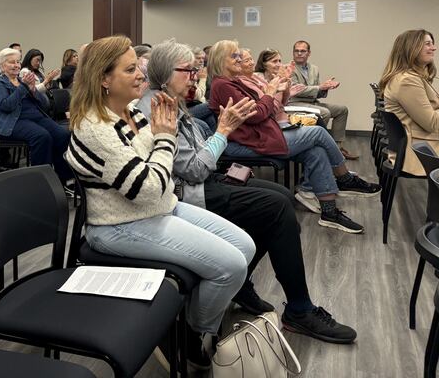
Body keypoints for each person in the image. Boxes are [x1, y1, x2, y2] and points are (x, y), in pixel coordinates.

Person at [137, 39, 356, 343]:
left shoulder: (172, 100)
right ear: (163, 72)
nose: (193, 75)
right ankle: (299, 309)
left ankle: (244, 285)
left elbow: (203, 155)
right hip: (189, 194)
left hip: (204, 180)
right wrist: (223, 131)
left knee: (280, 199)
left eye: (194, 69)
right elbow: (196, 170)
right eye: (186, 70)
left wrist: (220, 136)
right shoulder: (156, 106)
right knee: (276, 208)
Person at [65, 36, 255, 366]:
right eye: (130, 70)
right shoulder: (94, 128)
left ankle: (181, 316)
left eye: (138, 68)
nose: (142, 75)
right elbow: (150, 184)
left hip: (157, 208)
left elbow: (159, 176)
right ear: (104, 79)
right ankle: (190, 332)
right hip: (119, 226)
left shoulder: (131, 114)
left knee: (246, 247)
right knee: (231, 266)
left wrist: (161, 147)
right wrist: (166, 138)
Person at [208, 40, 378, 233]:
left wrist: (273, 91)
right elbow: (259, 115)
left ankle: (329, 211)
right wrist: (270, 92)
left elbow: (264, 110)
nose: (240, 60)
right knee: (318, 131)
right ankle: (345, 178)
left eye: (241, 56)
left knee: (315, 150)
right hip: (249, 142)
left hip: (261, 134)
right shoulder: (222, 85)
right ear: (221, 60)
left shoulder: (233, 82)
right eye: (235, 56)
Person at [0, 48, 72, 184]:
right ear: (2, 66)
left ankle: (63, 178)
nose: (16, 65)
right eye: (12, 62)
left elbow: (45, 105)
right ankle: (40, 180)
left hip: (36, 118)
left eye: (18, 62)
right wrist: (24, 87)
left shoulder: (23, 82)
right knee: (42, 137)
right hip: (14, 122)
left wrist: (33, 89)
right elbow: (6, 106)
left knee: (62, 134)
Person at [380, 29, 439, 175]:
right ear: (411, 48)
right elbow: (432, 123)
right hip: (422, 150)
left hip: (423, 142)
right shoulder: (407, 80)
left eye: (432, 43)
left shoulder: (412, 76)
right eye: (427, 44)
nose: (433, 48)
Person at [288, 40, 357, 159]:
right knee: (324, 113)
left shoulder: (314, 68)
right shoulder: (289, 69)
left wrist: (327, 88)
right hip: (295, 103)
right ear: (293, 53)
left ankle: (337, 148)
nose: (299, 53)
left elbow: (316, 93)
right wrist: (320, 87)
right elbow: (297, 90)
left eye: (303, 51)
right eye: (296, 51)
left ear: (309, 53)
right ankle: (317, 147)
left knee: (342, 110)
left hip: (312, 102)